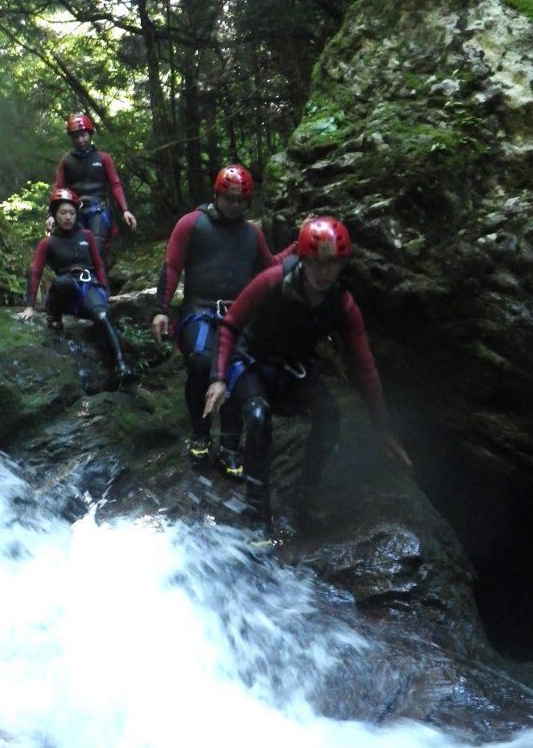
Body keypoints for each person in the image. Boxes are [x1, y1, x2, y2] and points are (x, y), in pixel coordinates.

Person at [204, 216, 411, 536]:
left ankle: (306, 493)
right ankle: (258, 513)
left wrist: (383, 427)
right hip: (251, 364)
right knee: (258, 416)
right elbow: (230, 324)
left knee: (330, 414)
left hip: (292, 371)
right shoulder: (273, 280)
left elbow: (364, 366)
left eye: (332, 264)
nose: (324, 271)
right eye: (316, 262)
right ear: (302, 258)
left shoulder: (342, 304)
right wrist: (218, 379)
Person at [151, 164, 295, 478]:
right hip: (199, 312)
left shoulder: (251, 234)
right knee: (202, 362)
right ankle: (200, 431)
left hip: (238, 315)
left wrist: (298, 247)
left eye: (241, 200)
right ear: (217, 195)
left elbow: (269, 269)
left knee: (236, 369)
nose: (234, 205)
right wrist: (161, 309)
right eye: (229, 199)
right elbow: (172, 267)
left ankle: (230, 442)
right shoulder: (192, 224)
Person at [19, 188, 132, 383]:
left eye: (72, 213)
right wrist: (29, 305)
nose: (68, 217)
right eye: (63, 212)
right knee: (63, 283)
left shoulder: (86, 236)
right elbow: (35, 272)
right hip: (64, 292)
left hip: (88, 287)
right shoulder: (47, 243)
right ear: (54, 214)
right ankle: (53, 314)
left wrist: (106, 292)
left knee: (103, 315)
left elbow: (98, 265)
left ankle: (121, 364)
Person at [49, 113, 137, 268]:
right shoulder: (66, 162)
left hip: (98, 209)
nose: (80, 140)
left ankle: (103, 289)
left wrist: (125, 210)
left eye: (83, 135)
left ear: (90, 134)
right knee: (79, 249)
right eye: (76, 137)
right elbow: (58, 188)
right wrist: (51, 215)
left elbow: (115, 184)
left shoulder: (103, 158)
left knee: (97, 245)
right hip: (76, 212)